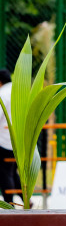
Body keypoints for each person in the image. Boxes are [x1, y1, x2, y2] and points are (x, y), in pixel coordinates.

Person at [0, 67, 19, 204]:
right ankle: (26, 199)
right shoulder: (19, 91)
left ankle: (9, 205)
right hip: (20, 141)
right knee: (12, 171)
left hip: (4, 141)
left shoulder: (2, 94)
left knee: (5, 173)